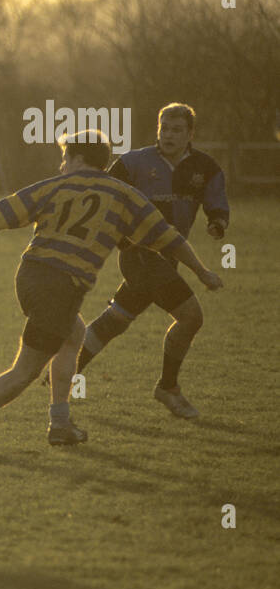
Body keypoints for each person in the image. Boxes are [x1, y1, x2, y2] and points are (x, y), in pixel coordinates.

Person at [0, 129, 223, 453]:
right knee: (26, 370)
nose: (61, 166)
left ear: (78, 159)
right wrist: (203, 272)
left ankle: (60, 424)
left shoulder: (54, 186)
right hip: (60, 286)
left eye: (64, 158)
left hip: (30, 277)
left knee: (75, 335)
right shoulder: (125, 196)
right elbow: (170, 239)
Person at [74, 104, 230, 418]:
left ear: (190, 134)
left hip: (168, 259)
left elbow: (216, 199)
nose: (168, 135)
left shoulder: (205, 167)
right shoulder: (132, 163)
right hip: (139, 255)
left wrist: (217, 222)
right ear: (157, 129)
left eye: (176, 130)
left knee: (116, 319)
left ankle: (64, 370)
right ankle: (168, 388)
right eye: (164, 128)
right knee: (191, 317)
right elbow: (104, 198)